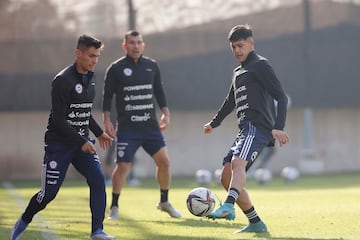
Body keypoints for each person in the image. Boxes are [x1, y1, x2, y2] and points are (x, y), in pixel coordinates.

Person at [10, 34, 116, 240]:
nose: (95, 60)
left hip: (81, 144)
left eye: (97, 56)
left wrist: (98, 132)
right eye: (91, 55)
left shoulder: (91, 77)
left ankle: (97, 231)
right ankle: (23, 220)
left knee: (98, 180)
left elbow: (83, 112)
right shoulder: (62, 81)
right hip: (59, 145)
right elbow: (59, 119)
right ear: (78, 53)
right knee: (47, 195)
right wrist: (82, 141)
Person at [203, 24, 290, 233]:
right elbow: (230, 101)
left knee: (237, 163)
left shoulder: (260, 65)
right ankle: (255, 222)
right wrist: (214, 123)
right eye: (233, 47)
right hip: (245, 130)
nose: (237, 51)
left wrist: (279, 126)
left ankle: (228, 207)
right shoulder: (237, 71)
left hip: (258, 128)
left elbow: (281, 96)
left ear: (251, 43)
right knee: (224, 177)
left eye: (240, 45)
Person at [102, 30, 181, 220]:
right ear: (125, 46)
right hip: (128, 129)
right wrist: (106, 120)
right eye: (131, 43)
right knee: (123, 166)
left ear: (143, 45)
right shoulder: (116, 68)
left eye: (139, 42)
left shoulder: (151, 66)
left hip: (150, 127)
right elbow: (107, 96)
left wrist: (166, 113)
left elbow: (159, 91)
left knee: (164, 163)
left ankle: (164, 202)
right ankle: (114, 206)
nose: (135, 46)